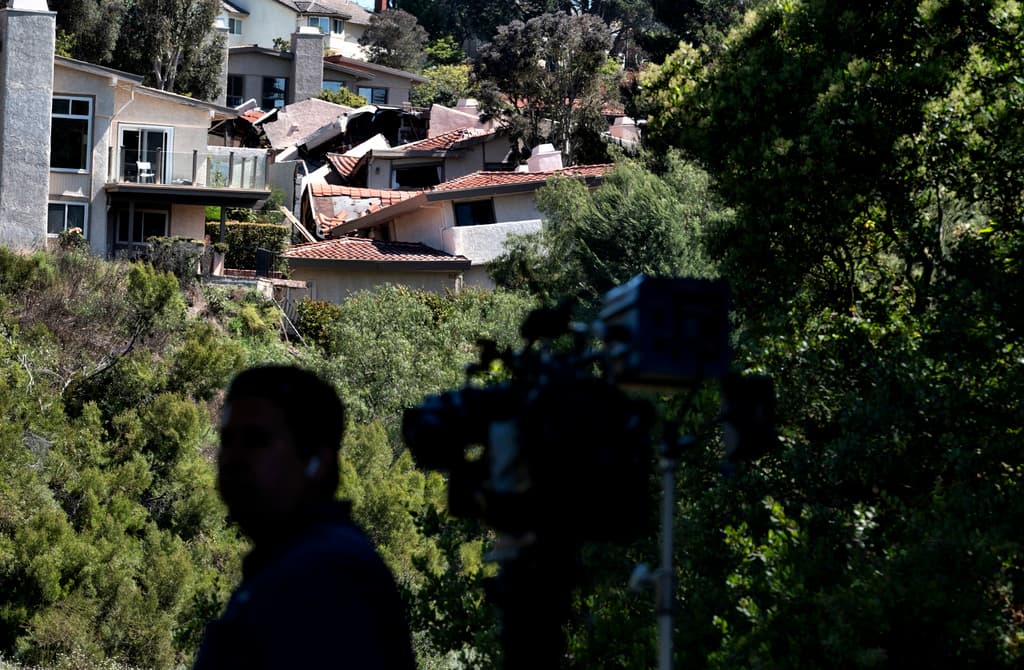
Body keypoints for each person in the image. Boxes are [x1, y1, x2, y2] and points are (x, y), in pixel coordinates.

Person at [193, 365, 416, 669]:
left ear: (317, 462)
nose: (233, 458)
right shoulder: (293, 563)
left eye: (257, 440)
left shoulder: (330, 573)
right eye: (227, 440)